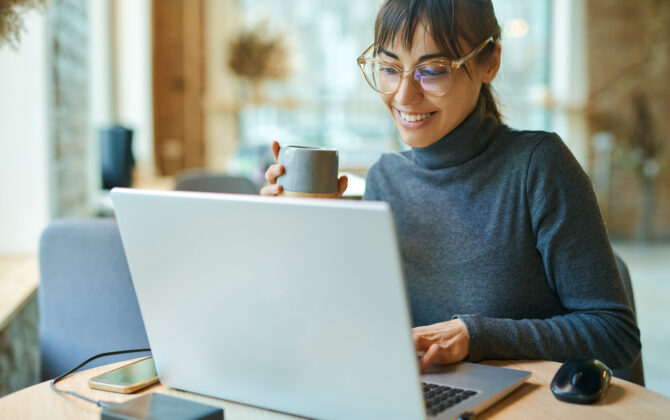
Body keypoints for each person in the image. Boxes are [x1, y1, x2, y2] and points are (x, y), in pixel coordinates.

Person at [261, 0, 641, 372]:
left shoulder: (537, 167)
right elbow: (364, 328)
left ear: (490, 61)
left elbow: (614, 334)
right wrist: (308, 234)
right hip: (426, 399)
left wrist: (475, 336)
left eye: (433, 70)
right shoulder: (385, 178)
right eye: (390, 68)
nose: (404, 96)